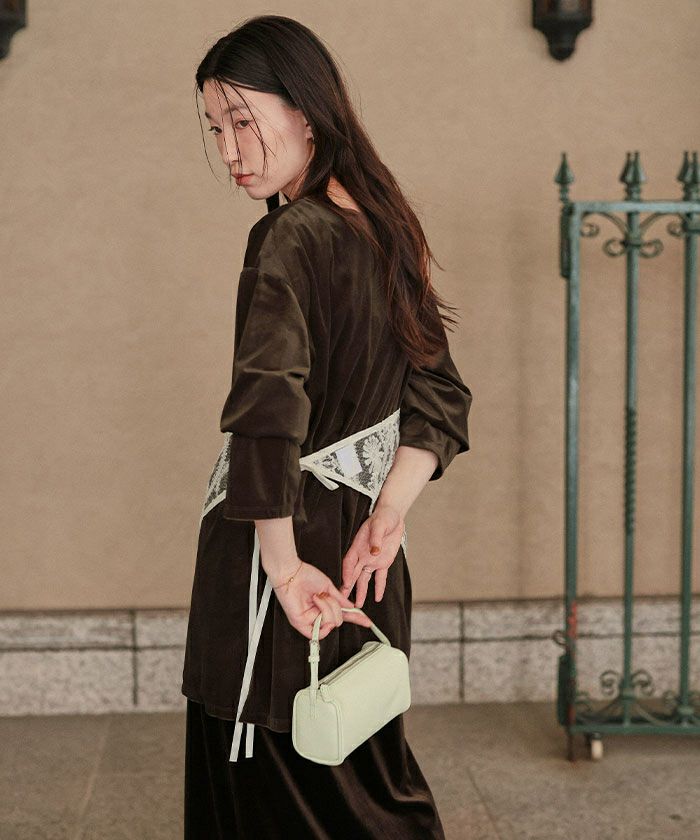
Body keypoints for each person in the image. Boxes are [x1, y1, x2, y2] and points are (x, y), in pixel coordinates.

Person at [181, 14, 473, 839]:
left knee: (276, 789)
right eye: (215, 127)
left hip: (285, 549)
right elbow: (441, 394)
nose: (229, 149)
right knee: (361, 771)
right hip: (366, 554)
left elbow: (268, 412)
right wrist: (388, 516)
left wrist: (282, 568)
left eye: (243, 120)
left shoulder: (288, 236)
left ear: (306, 113)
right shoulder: (384, 223)